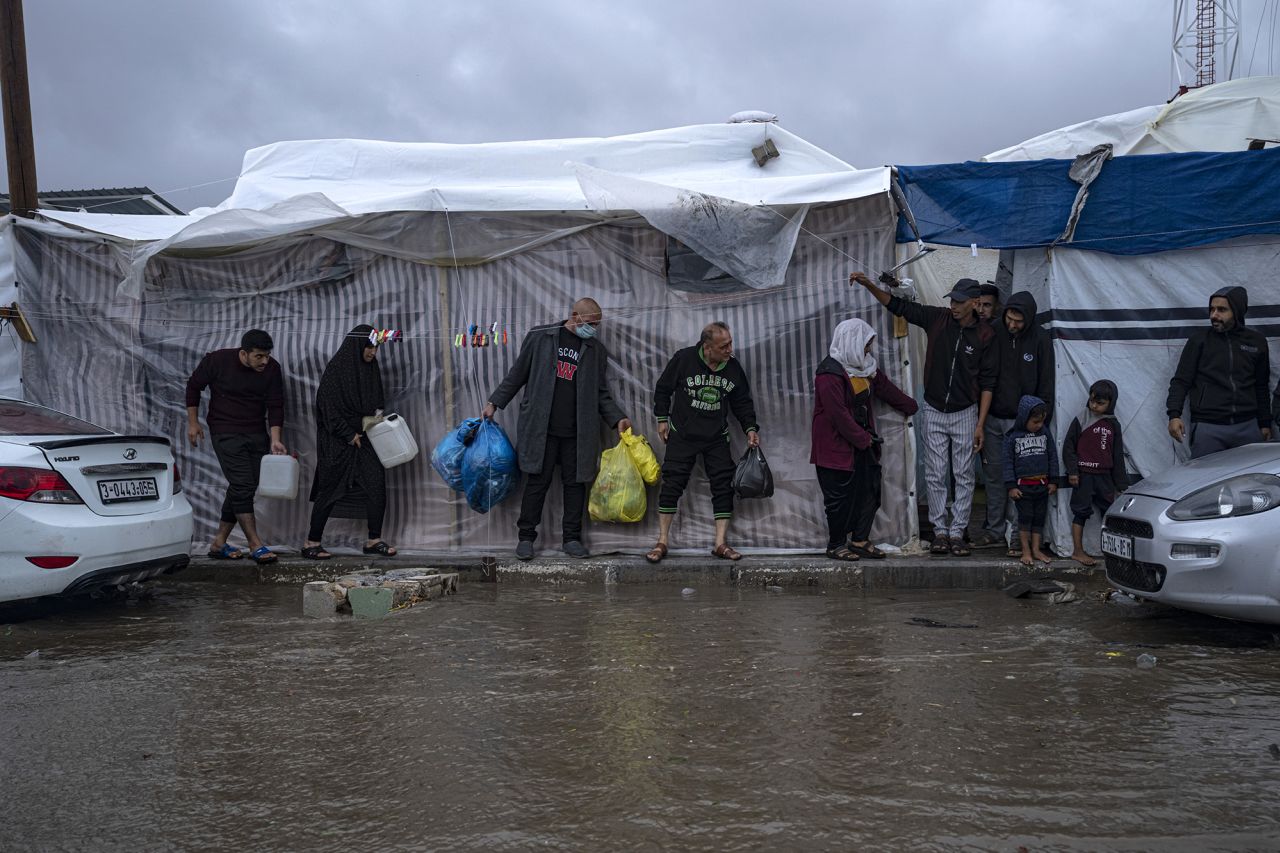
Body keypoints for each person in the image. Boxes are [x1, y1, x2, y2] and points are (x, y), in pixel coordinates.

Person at [850, 272, 997, 556]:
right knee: (935, 472)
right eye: (952, 299)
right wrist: (869, 285)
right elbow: (898, 306)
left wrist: (980, 424)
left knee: (964, 474)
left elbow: (989, 382)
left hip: (966, 411)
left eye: (960, 301)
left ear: (975, 303)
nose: (953, 305)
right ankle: (940, 531)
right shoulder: (938, 319)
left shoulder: (986, 334)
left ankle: (958, 533)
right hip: (933, 407)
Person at [484, 298, 631, 560]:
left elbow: (600, 393)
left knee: (575, 485)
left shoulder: (595, 350)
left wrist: (616, 418)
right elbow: (518, 373)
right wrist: (495, 403)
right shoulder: (542, 336)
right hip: (542, 428)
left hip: (578, 430)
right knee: (537, 483)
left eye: (597, 324)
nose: (594, 328)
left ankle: (572, 539)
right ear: (574, 315)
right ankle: (526, 537)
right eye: (590, 322)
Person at [647, 321, 760, 563]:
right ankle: (662, 541)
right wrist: (662, 418)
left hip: (716, 437)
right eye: (724, 346)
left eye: (730, 343)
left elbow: (742, 402)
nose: (730, 349)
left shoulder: (732, 368)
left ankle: (720, 543)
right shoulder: (684, 359)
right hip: (682, 435)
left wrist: (750, 428)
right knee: (672, 483)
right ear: (707, 348)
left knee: (723, 485)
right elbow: (663, 389)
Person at [811, 318, 918, 561]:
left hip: (862, 443)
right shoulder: (828, 375)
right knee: (838, 499)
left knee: (871, 490)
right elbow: (838, 415)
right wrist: (862, 439)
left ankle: (860, 539)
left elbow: (885, 388)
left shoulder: (865, 367)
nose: (868, 349)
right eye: (866, 344)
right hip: (836, 448)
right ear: (852, 343)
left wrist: (912, 406)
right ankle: (836, 544)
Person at [186, 329, 288, 564]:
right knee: (242, 484)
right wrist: (193, 423)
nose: (264, 361)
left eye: (267, 356)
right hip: (225, 431)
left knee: (245, 486)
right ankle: (255, 544)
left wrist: (275, 438)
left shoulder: (272, 369)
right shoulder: (218, 361)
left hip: (256, 432)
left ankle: (219, 542)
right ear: (244, 353)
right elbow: (194, 387)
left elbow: (276, 404)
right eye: (259, 356)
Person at [302, 324, 397, 560]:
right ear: (356, 346)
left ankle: (374, 539)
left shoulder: (370, 369)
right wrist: (348, 433)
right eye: (369, 347)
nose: (372, 353)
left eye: (375, 348)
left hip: (365, 437)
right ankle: (311, 542)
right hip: (338, 440)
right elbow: (328, 408)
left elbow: (376, 400)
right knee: (330, 488)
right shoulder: (337, 370)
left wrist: (373, 419)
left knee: (375, 485)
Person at [974, 290, 1055, 551]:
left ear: (1029, 318)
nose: (1012, 325)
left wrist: (1041, 420)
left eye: (1018, 321)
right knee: (995, 476)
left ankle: (1016, 537)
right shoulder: (994, 330)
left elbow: (1046, 381)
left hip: (1023, 424)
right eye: (1010, 318)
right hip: (993, 418)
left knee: (1023, 480)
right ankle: (995, 530)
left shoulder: (1041, 338)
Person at [1166, 286, 1271, 458]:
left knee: (1249, 482)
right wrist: (1174, 415)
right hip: (1208, 428)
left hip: (1248, 427)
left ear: (1237, 312)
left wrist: (1265, 423)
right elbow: (1181, 381)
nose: (1214, 315)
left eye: (1222, 310)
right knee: (1204, 480)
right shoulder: (1199, 341)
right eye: (1212, 309)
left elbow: (1261, 385)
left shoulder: (1257, 342)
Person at [1063, 379, 1129, 566]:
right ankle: (1077, 551)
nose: (1094, 406)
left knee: (1109, 513)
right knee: (1080, 512)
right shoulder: (1082, 418)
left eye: (1100, 403)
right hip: (1084, 475)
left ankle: (1112, 552)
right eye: (1092, 401)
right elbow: (1069, 447)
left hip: (1104, 477)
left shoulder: (1113, 424)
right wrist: (1072, 471)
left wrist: (1121, 484)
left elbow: (1117, 455)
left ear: (1111, 403)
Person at [1003, 395, 1058, 567]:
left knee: (1039, 518)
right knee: (1025, 518)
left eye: (1041, 422)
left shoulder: (1045, 433)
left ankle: (1036, 549)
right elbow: (1007, 462)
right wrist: (1011, 486)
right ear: (1023, 417)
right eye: (1035, 422)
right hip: (1022, 488)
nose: (1038, 425)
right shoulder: (1013, 437)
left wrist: (1053, 480)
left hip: (1041, 485)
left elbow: (1052, 457)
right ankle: (1025, 551)